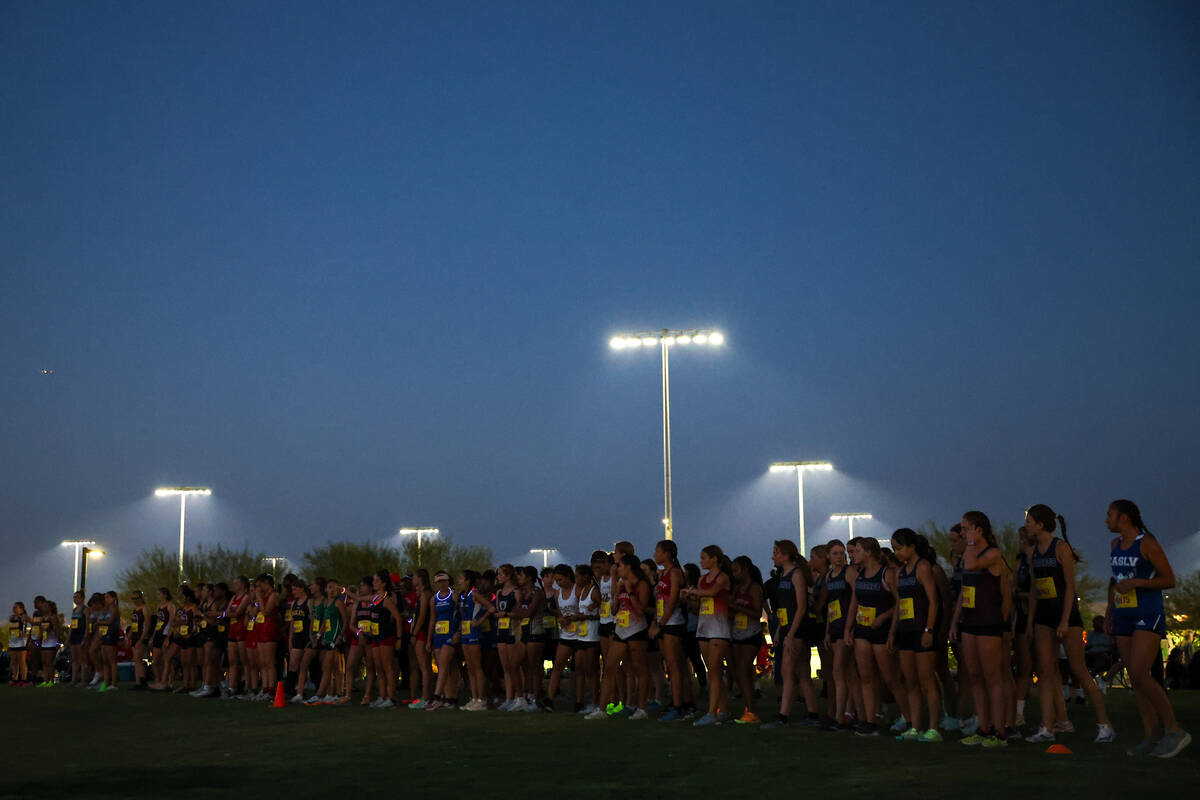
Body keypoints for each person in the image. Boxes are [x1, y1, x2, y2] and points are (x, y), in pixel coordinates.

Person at [1106, 499, 1192, 758]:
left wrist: (1137, 583)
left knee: (1142, 673)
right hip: (1123, 615)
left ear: (1124, 518)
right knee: (1135, 676)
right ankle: (1151, 735)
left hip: (1147, 613)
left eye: (1109, 515)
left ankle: (1174, 730)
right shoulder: (1115, 545)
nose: (1106, 519)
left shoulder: (1147, 544)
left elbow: (1170, 579)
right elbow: (1117, 582)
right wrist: (1110, 611)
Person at [1024, 504, 1114, 744]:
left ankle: (1105, 724)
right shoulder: (1033, 552)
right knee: (1045, 671)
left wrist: (1064, 621)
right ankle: (1048, 727)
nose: (1026, 525)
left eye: (1030, 521)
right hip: (1043, 616)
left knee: (1079, 670)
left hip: (1067, 617)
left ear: (1041, 524)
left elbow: (1070, 588)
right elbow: (1034, 589)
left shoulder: (1060, 548)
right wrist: (1030, 623)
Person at [951, 511, 1009, 747]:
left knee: (992, 677)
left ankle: (1000, 731)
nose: (963, 533)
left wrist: (972, 543)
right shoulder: (968, 552)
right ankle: (983, 728)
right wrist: (955, 622)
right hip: (970, 622)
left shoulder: (992, 554)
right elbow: (965, 590)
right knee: (974, 676)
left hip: (988, 622)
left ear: (978, 530)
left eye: (966, 529)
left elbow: (974, 565)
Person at [845, 537, 907, 736]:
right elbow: (854, 603)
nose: (854, 554)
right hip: (862, 629)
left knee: (891, 679)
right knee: (866, 677)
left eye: (858, 550)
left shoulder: (887, 574)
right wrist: (848, 628)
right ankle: (870, 721)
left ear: (869, 552)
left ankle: (910, 718)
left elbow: (900, 602)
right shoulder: (860, 574)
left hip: (881, 630)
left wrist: (886, 622)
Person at [890, 529, 941, 742]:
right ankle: (915, 727)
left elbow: (933, 601)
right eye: (894, 549)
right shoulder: (901, 571)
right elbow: (900, 603)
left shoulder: (923, 567)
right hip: (906, 631)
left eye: (900, 548)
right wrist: (894, 631)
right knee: (910, 681)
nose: (897, 553)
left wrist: (929, 629)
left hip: (921, 630)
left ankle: (933, 729)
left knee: (927, 681)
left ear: (912, 546)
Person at [591, 553, 650, 719]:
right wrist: (616, 594)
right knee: (610, 667)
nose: (617, 569)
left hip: (637, 630)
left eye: (620, 566)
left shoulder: (641, 584)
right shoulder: (619, 584)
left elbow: (640, 610)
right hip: (620, 629)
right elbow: (614, 610)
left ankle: (641, 708)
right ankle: (602, 709)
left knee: (640, 669)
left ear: (629, 567)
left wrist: (630, 591)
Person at [688, 545, 732, 726]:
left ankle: (712, 712)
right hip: (704, 627)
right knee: (712, 671)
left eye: (704, 557)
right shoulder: (702, 579)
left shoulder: (722, 577)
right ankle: (722, 710)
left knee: (714, 671)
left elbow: (713, 592)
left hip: (718, 629)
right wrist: (692, 598)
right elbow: (700, 602)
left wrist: (694, 592)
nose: (701, 561)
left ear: (714, 559)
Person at [651, 539, 694, 722]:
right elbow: (660, 601)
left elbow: (672, 601)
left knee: (675, 666)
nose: (655, 554)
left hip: (673, 624)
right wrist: (656, 622)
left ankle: (679, 706)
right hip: (663, 622)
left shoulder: (675, 573)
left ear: (666, 553)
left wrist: (660, 625)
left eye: (657, 551)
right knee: (673, 665)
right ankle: (682, 702)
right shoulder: (664, 574)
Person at [821, 539, 859, 732]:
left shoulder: (848, 572)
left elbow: (856, 597)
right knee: (847, 672)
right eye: (835, 553)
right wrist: (828, 630)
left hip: (847, 625)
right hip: (835, 626)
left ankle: (840, 715)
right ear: (828, 555)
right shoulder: (829, 576)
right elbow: (831, 605)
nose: (839, 556)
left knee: (839, 671)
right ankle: (849, 714)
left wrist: (849, 627)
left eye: (841, 553)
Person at [729, 555, 764, 724]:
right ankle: (748, 707)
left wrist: (736, 607)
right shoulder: (736, 588)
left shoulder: (754, 588)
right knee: (738, 672)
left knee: (744, 670)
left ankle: (752, 711)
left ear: (745, 570)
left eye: (736, 570)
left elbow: (757, 613)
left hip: (752, 634)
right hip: (737, 633)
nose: (733, 574)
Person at [426, 571, 459, 710]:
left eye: (443, 581)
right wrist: (429, 639)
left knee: (444, 665)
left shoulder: (454, 595)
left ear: (448, 581)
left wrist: (459, 632)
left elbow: (461, 613)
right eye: (438, 582)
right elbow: (432, 619)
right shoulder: (434, 599)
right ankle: (449, 697)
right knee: (443, 667)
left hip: (450, 633)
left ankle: (437, 695)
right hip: (438, 634)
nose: (441, 584)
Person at [67, 591, 88, 687]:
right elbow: (72, 624)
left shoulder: (85, 609)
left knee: (82, 659)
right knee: (74, 659)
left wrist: (85, 637)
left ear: (82, 598)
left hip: (81, 635)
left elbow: (88, 625)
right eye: (74, 597)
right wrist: (69, 636)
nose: (75, 599)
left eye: (77, 597)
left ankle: (83, 680)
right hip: (74, 636)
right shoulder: (74, 610)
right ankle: (74, 680)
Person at [8, 602, 30, 685]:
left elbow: (24, 628)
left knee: (22, 662)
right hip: (13, 642)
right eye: (13, 607)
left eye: (16, 607)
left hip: (21, 642)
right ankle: (15, 678)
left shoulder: (23, 617)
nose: (14, 608)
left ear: (21, 609)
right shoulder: (11, 617)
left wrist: (24, 634)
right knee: (14, 662)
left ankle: (24, 679)